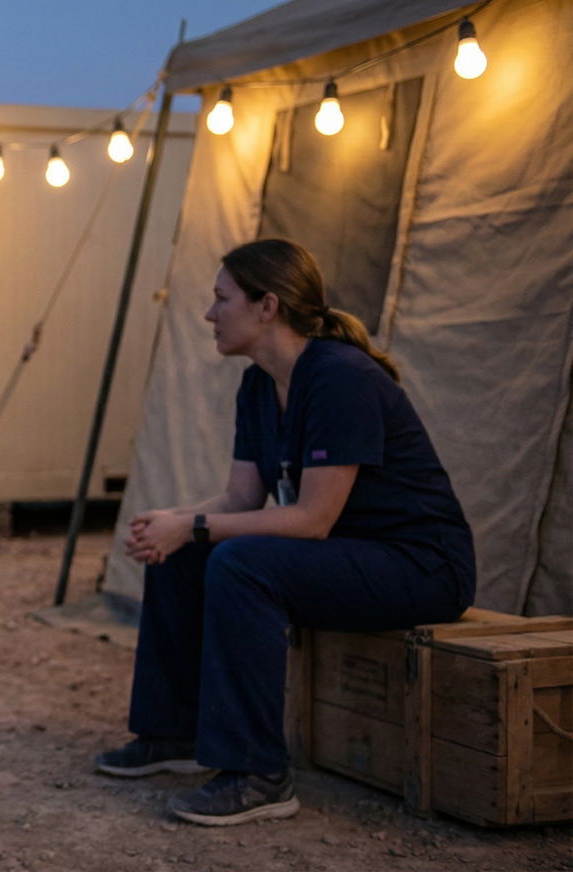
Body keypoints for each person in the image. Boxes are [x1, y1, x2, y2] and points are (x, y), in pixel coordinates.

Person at [96, 238, 474, 826]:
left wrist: (194, 526)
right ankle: (172, 734)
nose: (209, 314)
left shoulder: (339, 378)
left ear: (267, 305)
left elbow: (312, 519)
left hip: (420, 565)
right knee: (188, 553)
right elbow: (242, 499)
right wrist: (173, 524)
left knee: (239, 563)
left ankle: (259, 774)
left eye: (222, 299)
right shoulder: (257, 385)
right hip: (349, 555)